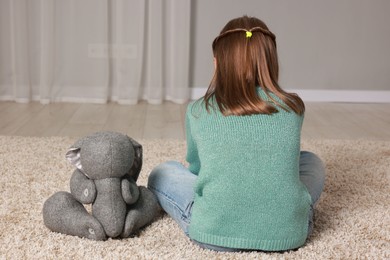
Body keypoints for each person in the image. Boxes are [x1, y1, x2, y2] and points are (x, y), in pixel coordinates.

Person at [147, 15, 325, 252]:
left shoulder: (199, 109)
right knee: (311, 162)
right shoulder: (293, 107)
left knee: (164, 171)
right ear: (271, 61)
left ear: (218, 62)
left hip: (213, 231)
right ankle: (288, 212)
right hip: (287, 234)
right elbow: (284, 161)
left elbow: (197, 167)